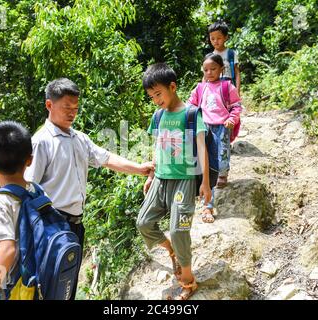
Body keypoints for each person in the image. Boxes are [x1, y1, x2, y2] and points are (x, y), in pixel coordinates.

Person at [24, 77, 154, 300]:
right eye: (66, 107)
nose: (72, 113)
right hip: (51, 226)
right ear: (49, 105)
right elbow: (28, 190)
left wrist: (140, 169)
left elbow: (106, 158)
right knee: (50, 287)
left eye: (75, 108)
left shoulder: (80, 139)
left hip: (75, 225)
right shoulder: (41, 142)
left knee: (67, 287)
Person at [137, 63, 212, 300]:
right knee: (143, 223)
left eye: (158, 94)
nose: (155, 100)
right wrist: (151, 175)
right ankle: (172, 251)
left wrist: (206, 184)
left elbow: (202, 149)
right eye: (151, 96)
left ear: (172, 86)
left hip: (184, 180)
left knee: (178, 228)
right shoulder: (158, 116)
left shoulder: (190, 113)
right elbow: (158, 146)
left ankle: (188, 281)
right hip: (161, 178)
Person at [0, 121, 34, 300]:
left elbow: (6, 251)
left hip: (13, 291)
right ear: (30, 159)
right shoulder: (37, 193)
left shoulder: (0, 202)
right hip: (35, 286)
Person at [188, 53, 242, 223]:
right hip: (204, 129)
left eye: (213, 69)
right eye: (205, 70)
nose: (209, 72)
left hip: (222, 127)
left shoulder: (227, 87)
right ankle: (207, 205)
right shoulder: (199, 88)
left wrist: (232, 119)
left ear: (221, 69)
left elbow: (236, 106)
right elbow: (191, 105)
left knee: (223, 160)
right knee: (208, 166)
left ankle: (223, 173)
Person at [207, 20, 241, 95]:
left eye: (219, 38)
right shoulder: (210, 57)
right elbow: (205, 76)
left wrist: (237, 91)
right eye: (212, 39)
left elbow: (237, 73)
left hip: (230, 88)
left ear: (225, 37)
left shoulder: (231, 53)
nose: (215, 41)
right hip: (214, 91)